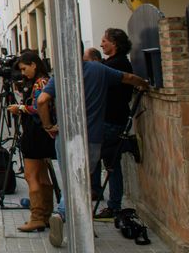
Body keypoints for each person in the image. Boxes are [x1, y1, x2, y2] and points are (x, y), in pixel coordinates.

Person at [36, 52, 148, 246]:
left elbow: (41, 100)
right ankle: (63, 214)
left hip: (63, 136)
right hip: (91, 137)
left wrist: (47, 126)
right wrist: (144, 84)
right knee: (82, 182)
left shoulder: (60, 76)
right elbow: (128, 78)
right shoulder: (98, 69)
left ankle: (74, 220)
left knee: (70, 181)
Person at [7, 50, 56, 232]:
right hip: (43, 133)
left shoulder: (39, 83)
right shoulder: (44, 80)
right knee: (43, 175)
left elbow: (38, 107)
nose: (23, 73)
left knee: (31, 176)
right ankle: (46, 214)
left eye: (24, 68)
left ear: (34, 65)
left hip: (35, 133)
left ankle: (37, 217)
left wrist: (20, 107)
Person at [93, 28, 133, 219]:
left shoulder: (118, 64)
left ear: (114, 43)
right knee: (108, 161)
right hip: (110, 118)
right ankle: (109, 201)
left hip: (112, 120)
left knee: (110, 162)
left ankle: (114, 205)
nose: (101, 45)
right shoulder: (112, 63)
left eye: (104, 41)